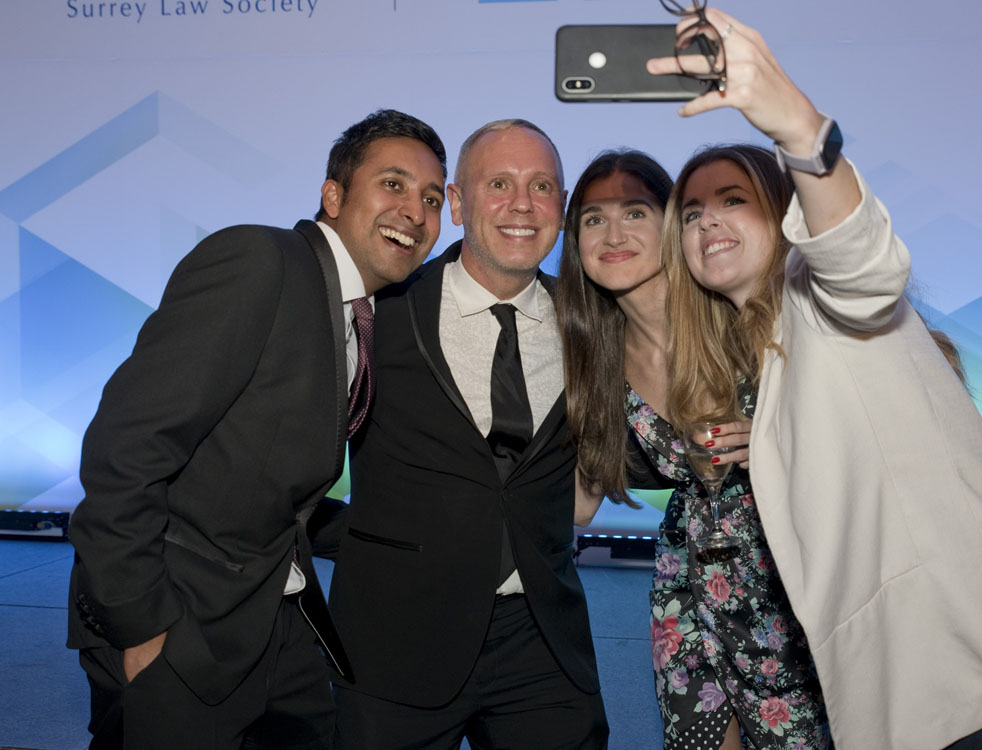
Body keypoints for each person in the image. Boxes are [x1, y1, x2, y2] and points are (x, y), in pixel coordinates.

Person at [649, 6, 982, 749]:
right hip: (903, 703)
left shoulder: (821, 297)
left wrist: (800, 131)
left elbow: (861, 259)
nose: (707, 223)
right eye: (693, 213)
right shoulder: (763, 357)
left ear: (784, 215)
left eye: (733, 201)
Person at [66, 109, 447, 750]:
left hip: (275, 623)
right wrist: (140, 625)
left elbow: (255, 476)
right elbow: (124, 449)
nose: (414, 210)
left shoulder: (358, 314)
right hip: (179, 623)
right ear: (333, 195)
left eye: (432, 198)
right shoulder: (259, 260)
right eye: (393, 184)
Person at [326, 119, 609, 749]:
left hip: (543, 640)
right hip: (394, 641)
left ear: (561, 210)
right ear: (457, 203)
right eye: (499, 183)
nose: (521, 204)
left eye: (541, 186)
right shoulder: (380, 309)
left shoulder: (591, 322)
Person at [558, 149, 831, 750]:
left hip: (787, 574)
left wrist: (777, 448)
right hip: (686, 580)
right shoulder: (596, 357)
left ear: (675, 223)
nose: (614, 234)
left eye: (636, 212)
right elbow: (576, 503)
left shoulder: (741, 311)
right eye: (593, 219)